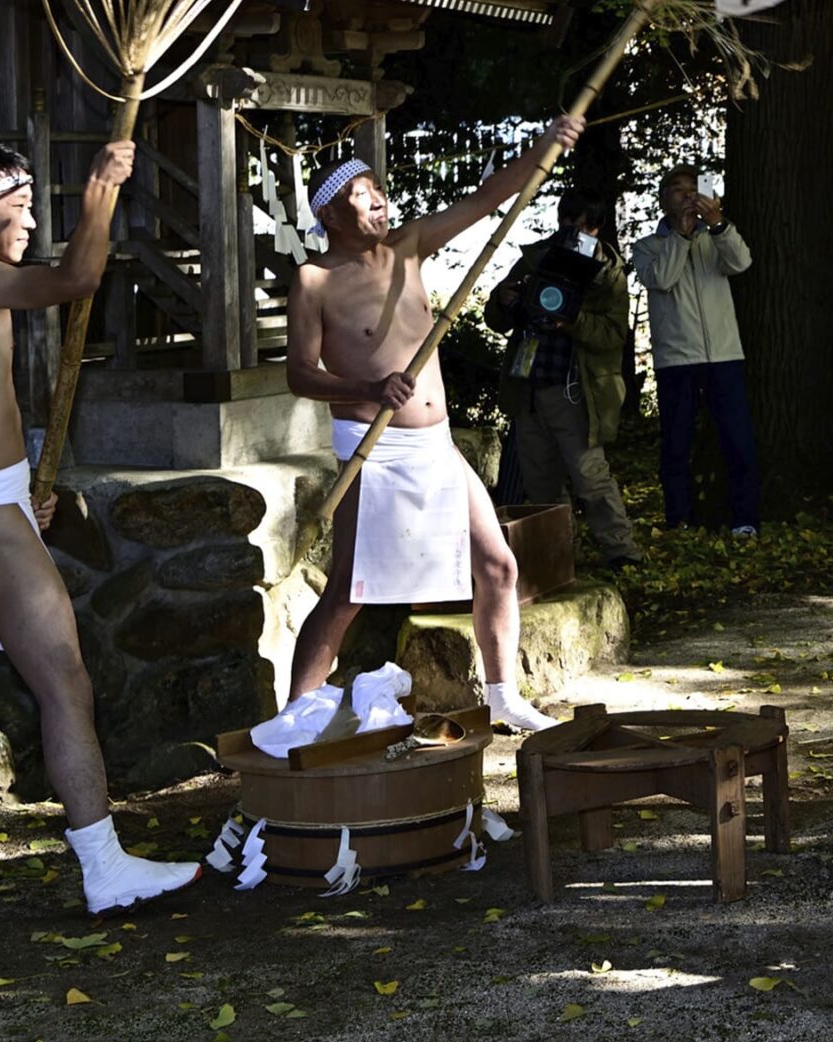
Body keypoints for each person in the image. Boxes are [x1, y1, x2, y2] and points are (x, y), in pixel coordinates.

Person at [0, 139, 200, 913]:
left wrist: (8, 491)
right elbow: (77, 279)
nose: (32, 218)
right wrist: (100, 189)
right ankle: (104, 866)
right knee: (67, 684)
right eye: (19, 205)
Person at [275, 129, 582, 740]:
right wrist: (365, 389)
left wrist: (546, 146)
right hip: (373, 448)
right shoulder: (313, 281)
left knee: (497, 564)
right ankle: (296, 714)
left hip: (434, 444)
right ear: (332, 215)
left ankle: (501, 696)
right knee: (348, 591)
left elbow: (486, 199)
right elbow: (300, 375)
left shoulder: (409, 246)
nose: (380, 201)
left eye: (380, 190)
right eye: (363, 196)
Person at [487, 190, 637, 570]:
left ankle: (623, 554)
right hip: (530, 387)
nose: (571, 233)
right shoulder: (536, 259)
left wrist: (571, 321)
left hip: (577, 392)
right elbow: (497, 318)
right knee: (540, 484)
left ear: (596, 226)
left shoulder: (608, 274)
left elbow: (613, 334)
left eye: (581, 225)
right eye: (566, 223)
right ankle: (556, 561)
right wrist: (503, 300)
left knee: (590, 477)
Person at [635, 164, 759, 536]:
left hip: (724, 355)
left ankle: (744, 521)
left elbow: (742, 262)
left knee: (738, 441)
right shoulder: (648, 246)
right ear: (663, 199)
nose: (688, 195)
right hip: (676, 360)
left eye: (694, 188)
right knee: (676, 445)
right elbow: (662, 278)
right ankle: (679, 520)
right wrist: (683, 237)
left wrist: (718, 223)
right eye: (678, 189)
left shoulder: (715, 237)